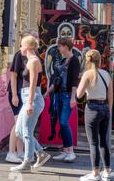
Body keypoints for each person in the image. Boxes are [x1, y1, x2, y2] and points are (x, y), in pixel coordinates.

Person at [11, 35, 51, 172]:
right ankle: (40, 152)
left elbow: (33, 84)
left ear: (27, 47)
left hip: (32, 98)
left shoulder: (33, 61)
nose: (20, 48)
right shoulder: (30, 60)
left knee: (27, 132)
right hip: (27, 97)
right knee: (18, 130)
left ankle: (27, 162)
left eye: (21, 45)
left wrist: (29, 103)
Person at [76, 50, 113, 181]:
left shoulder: (87, 74)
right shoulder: (106, 74)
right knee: (104, 141)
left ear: (87, 61)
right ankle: (107, 172)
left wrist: (83, 85)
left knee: (93, 143)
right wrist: (108, 111)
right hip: (104, 108)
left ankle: (95, 173)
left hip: (92, 108)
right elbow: (110, 97)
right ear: (100, 61)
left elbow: (79, 95)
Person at [44, 37, 81, 163]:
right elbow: (57, 79)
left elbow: (75, 80)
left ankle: (71, 151)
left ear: (66, 46)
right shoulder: (64, 60)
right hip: (59, 94)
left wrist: (73, 97)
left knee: (64, 122)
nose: (58, 48)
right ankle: (65, 150)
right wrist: (48, 92)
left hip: (67, 95)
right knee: (61, 122)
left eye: (60, 46)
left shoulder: (74, 61)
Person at [6, 30, 39, 164]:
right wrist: (14, 94)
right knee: (18, 124)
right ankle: (11, 152)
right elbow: (13, 75)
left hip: (25, 94)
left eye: (37, 37)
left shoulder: (34, 55)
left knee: (22, 123)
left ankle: (20, 152)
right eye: (34, 37)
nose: (37, 39)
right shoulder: (20, 54)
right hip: (17, 93)